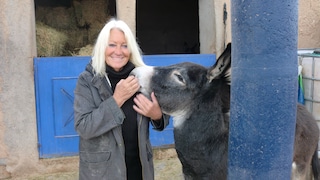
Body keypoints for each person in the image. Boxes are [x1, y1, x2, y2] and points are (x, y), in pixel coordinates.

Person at [73, 18, 170, 180]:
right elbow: (84, 127)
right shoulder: (87, 80)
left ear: (131, 50)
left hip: (139, 170)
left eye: (124, 46)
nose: (118, 51)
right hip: (103, 173)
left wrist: (157, 115)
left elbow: (163, 117)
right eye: (112, 45)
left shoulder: (143, 77)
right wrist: (117, 99)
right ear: (102, 48)